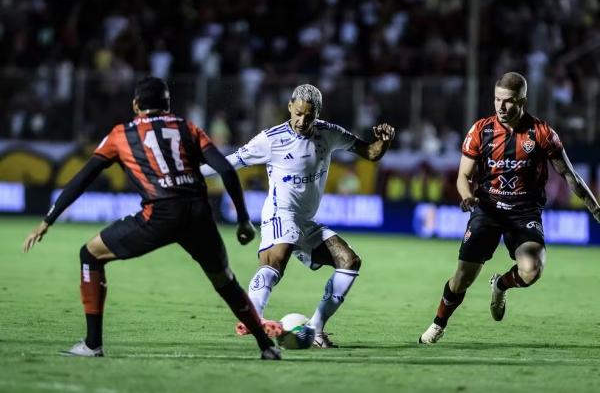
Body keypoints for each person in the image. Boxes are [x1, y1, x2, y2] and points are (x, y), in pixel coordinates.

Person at [23, 77, 281, 360]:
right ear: (168, 104)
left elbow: (83, 177)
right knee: (225, 280)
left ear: (135, 105)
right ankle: (266, 346)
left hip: (159, 214)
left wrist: (49, 219)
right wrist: (243, 219)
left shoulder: (121, 135)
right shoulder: (187, 127)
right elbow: (227, 170)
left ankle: (92, 344)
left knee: (90, 254)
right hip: (198, 214)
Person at [201, 84, 395, 348]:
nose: (302, 121)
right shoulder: (271, 139)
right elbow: (230, 162)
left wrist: (383, 142)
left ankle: (315, 328)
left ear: (318, 114)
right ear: (290, 106)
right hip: (280, 212)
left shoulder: (329, 133)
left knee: (349, 261)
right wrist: (189, 174)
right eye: (298, 113)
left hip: (306, 221)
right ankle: (252, 315)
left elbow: (370, 153)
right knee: (276, 260)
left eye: (309, 116)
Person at [419, 72, 600, 344]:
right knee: (462, 279)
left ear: (523, 101)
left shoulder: (542, 133)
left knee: (532, 270)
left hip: (524, 213)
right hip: (487, 209)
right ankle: (438, 323)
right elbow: (462, 176)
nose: (501, 107)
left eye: (509, 101)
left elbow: (570, 175)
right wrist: (467, 195)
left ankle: (501, 284)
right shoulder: (481, 130)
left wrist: (596, 209)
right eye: (497, 100)